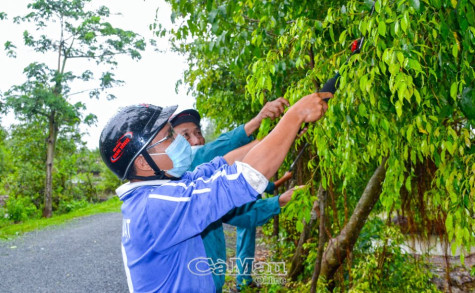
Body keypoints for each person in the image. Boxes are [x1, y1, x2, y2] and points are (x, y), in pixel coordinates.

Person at [99, 92, 331, 293]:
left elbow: (219, 166)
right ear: (143, 163)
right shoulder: (157, 204)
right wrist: (295, 115)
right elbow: (243, 179)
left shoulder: (162, 189)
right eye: (169, 137)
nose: (178, 141)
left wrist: (280, 134)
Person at [169, 102, 292, 292]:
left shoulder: (207, 191)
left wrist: (280, 201)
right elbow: (208, 155)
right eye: (185, 135)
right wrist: (266, 127)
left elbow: (241, 214)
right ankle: (244, 281)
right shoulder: (170, 186)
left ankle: (244, 280)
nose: (196, 140)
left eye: (198, 132)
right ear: (170, 146)